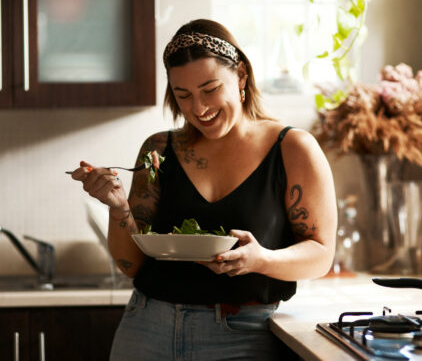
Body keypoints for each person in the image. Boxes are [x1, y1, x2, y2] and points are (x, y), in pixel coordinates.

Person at [71, 19, 337, 361]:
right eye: (184, 96)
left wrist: (261, 260)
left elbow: (321, 255)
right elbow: (132, 265)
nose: (199, 109)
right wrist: (117, 207)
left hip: (244, 335)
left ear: (240, 75)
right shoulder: (159, 149)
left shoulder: (292, 148)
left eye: (210, 89)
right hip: (145, 328)